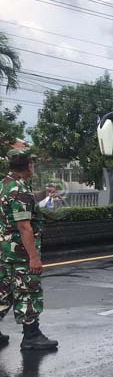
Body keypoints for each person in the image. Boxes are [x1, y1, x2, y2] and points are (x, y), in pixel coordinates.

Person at [0, 149, 58, 350]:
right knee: (28, 291)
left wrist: (44, 194)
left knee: (3, 291)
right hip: (21, 253)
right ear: (28, 166)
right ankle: (31, 336)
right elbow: (24, 226)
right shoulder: (20, 190)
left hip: (4, 250)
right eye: (32, 164)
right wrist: (33, 257)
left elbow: (24, 201)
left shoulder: (5, 185)